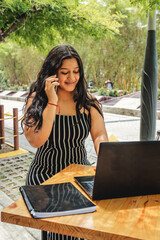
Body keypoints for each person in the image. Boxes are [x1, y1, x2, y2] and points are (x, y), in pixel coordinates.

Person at [22, 44, 108, 240]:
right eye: (65, 72)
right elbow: (36, 140)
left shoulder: (88, 102)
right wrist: (52, 101)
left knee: (81, 232)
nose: (72, 78)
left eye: (76, 72)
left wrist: (106, 162)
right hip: (45, 176)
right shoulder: (37, 100)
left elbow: (100, 135)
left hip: (79, 176)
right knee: (59, 235)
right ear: (52, 74)